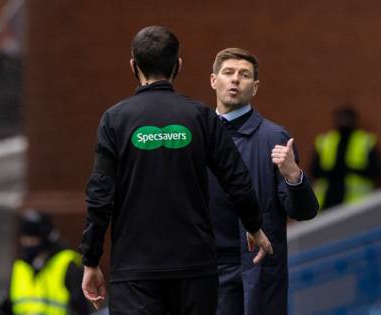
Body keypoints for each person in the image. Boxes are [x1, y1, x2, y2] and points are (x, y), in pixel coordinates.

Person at [79, 26, 273, 314]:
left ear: (134, 65)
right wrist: (254, 225)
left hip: (135, 272)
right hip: (195, 270)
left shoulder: (115, 120)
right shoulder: (201, 117)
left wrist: (91, 260)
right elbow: (236, 178)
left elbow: (100, 196)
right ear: (177, 65)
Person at [208, 48, 318, 315]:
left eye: (244, 75)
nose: (235, 80)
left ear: (255, 88)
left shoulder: (274, 137)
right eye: (228, 73)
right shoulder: (198, 134)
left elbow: (304, 211)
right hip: (207, 268)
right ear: (214, 81)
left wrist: (293, 175)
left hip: (257, 270)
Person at [0, 209, 90, 315]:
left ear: (46, 239)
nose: (28, 243)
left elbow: (80, 308)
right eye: (24, 238)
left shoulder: (66, 264)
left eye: (33, 239)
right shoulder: (20, 267)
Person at [310, 106, 381, 210]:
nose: (344, 122)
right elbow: (314, 171)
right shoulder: (325, 141)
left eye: (346, 119)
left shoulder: (366, 140)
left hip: (357, 203)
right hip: (327, 201)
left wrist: (349, 169)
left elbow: (375, 171)